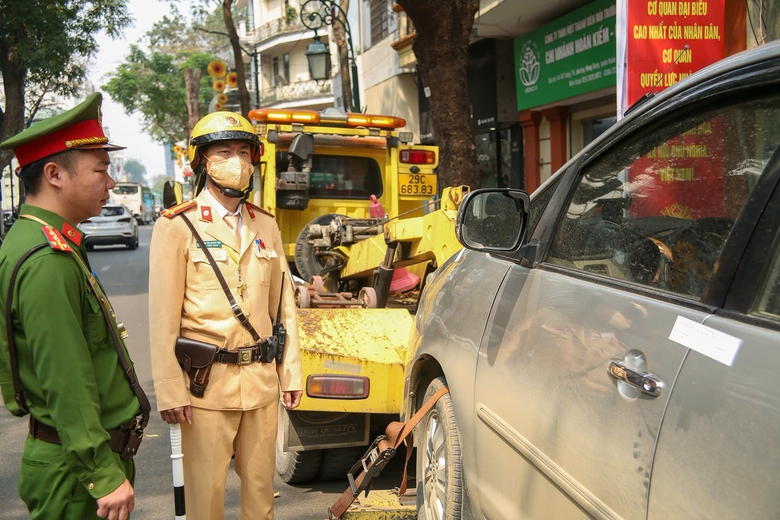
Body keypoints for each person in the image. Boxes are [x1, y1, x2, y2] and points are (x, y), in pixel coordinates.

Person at [0, 92, 150, 520]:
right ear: (54, 174)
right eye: (101, 170)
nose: (111, 182)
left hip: (79, 464)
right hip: (77, 474)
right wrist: (101, 472)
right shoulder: (47, 258)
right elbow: (65, 378)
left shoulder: (49, 242)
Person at [148, 111, 303, 520]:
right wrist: (170, 390)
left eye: (243, 151)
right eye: (223, 151)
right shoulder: (177, 226)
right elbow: (162, 317)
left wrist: (291, 373)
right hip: (204, 388)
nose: (237, 160)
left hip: (261, 384)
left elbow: (284, 306)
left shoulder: (265, 224)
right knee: (206, 501)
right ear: (202, 161)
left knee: (261, 497)